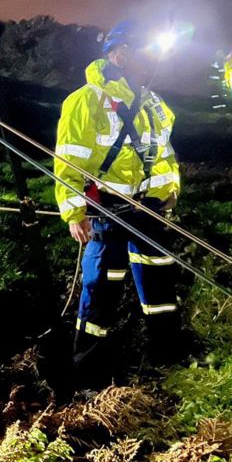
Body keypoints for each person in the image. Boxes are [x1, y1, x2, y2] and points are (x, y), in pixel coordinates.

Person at [53, 21, 183, 389]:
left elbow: (165, 153)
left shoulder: (154, 103)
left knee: (160, 280)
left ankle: (167, 356)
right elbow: (69, 161)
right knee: (101, 286)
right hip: (106, 211)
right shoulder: (86, 100)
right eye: (147, 51)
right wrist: (74, 211)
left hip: (149, 210)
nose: (154, 59)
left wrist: (171, 188)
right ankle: (88, 369)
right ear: (121, 54)